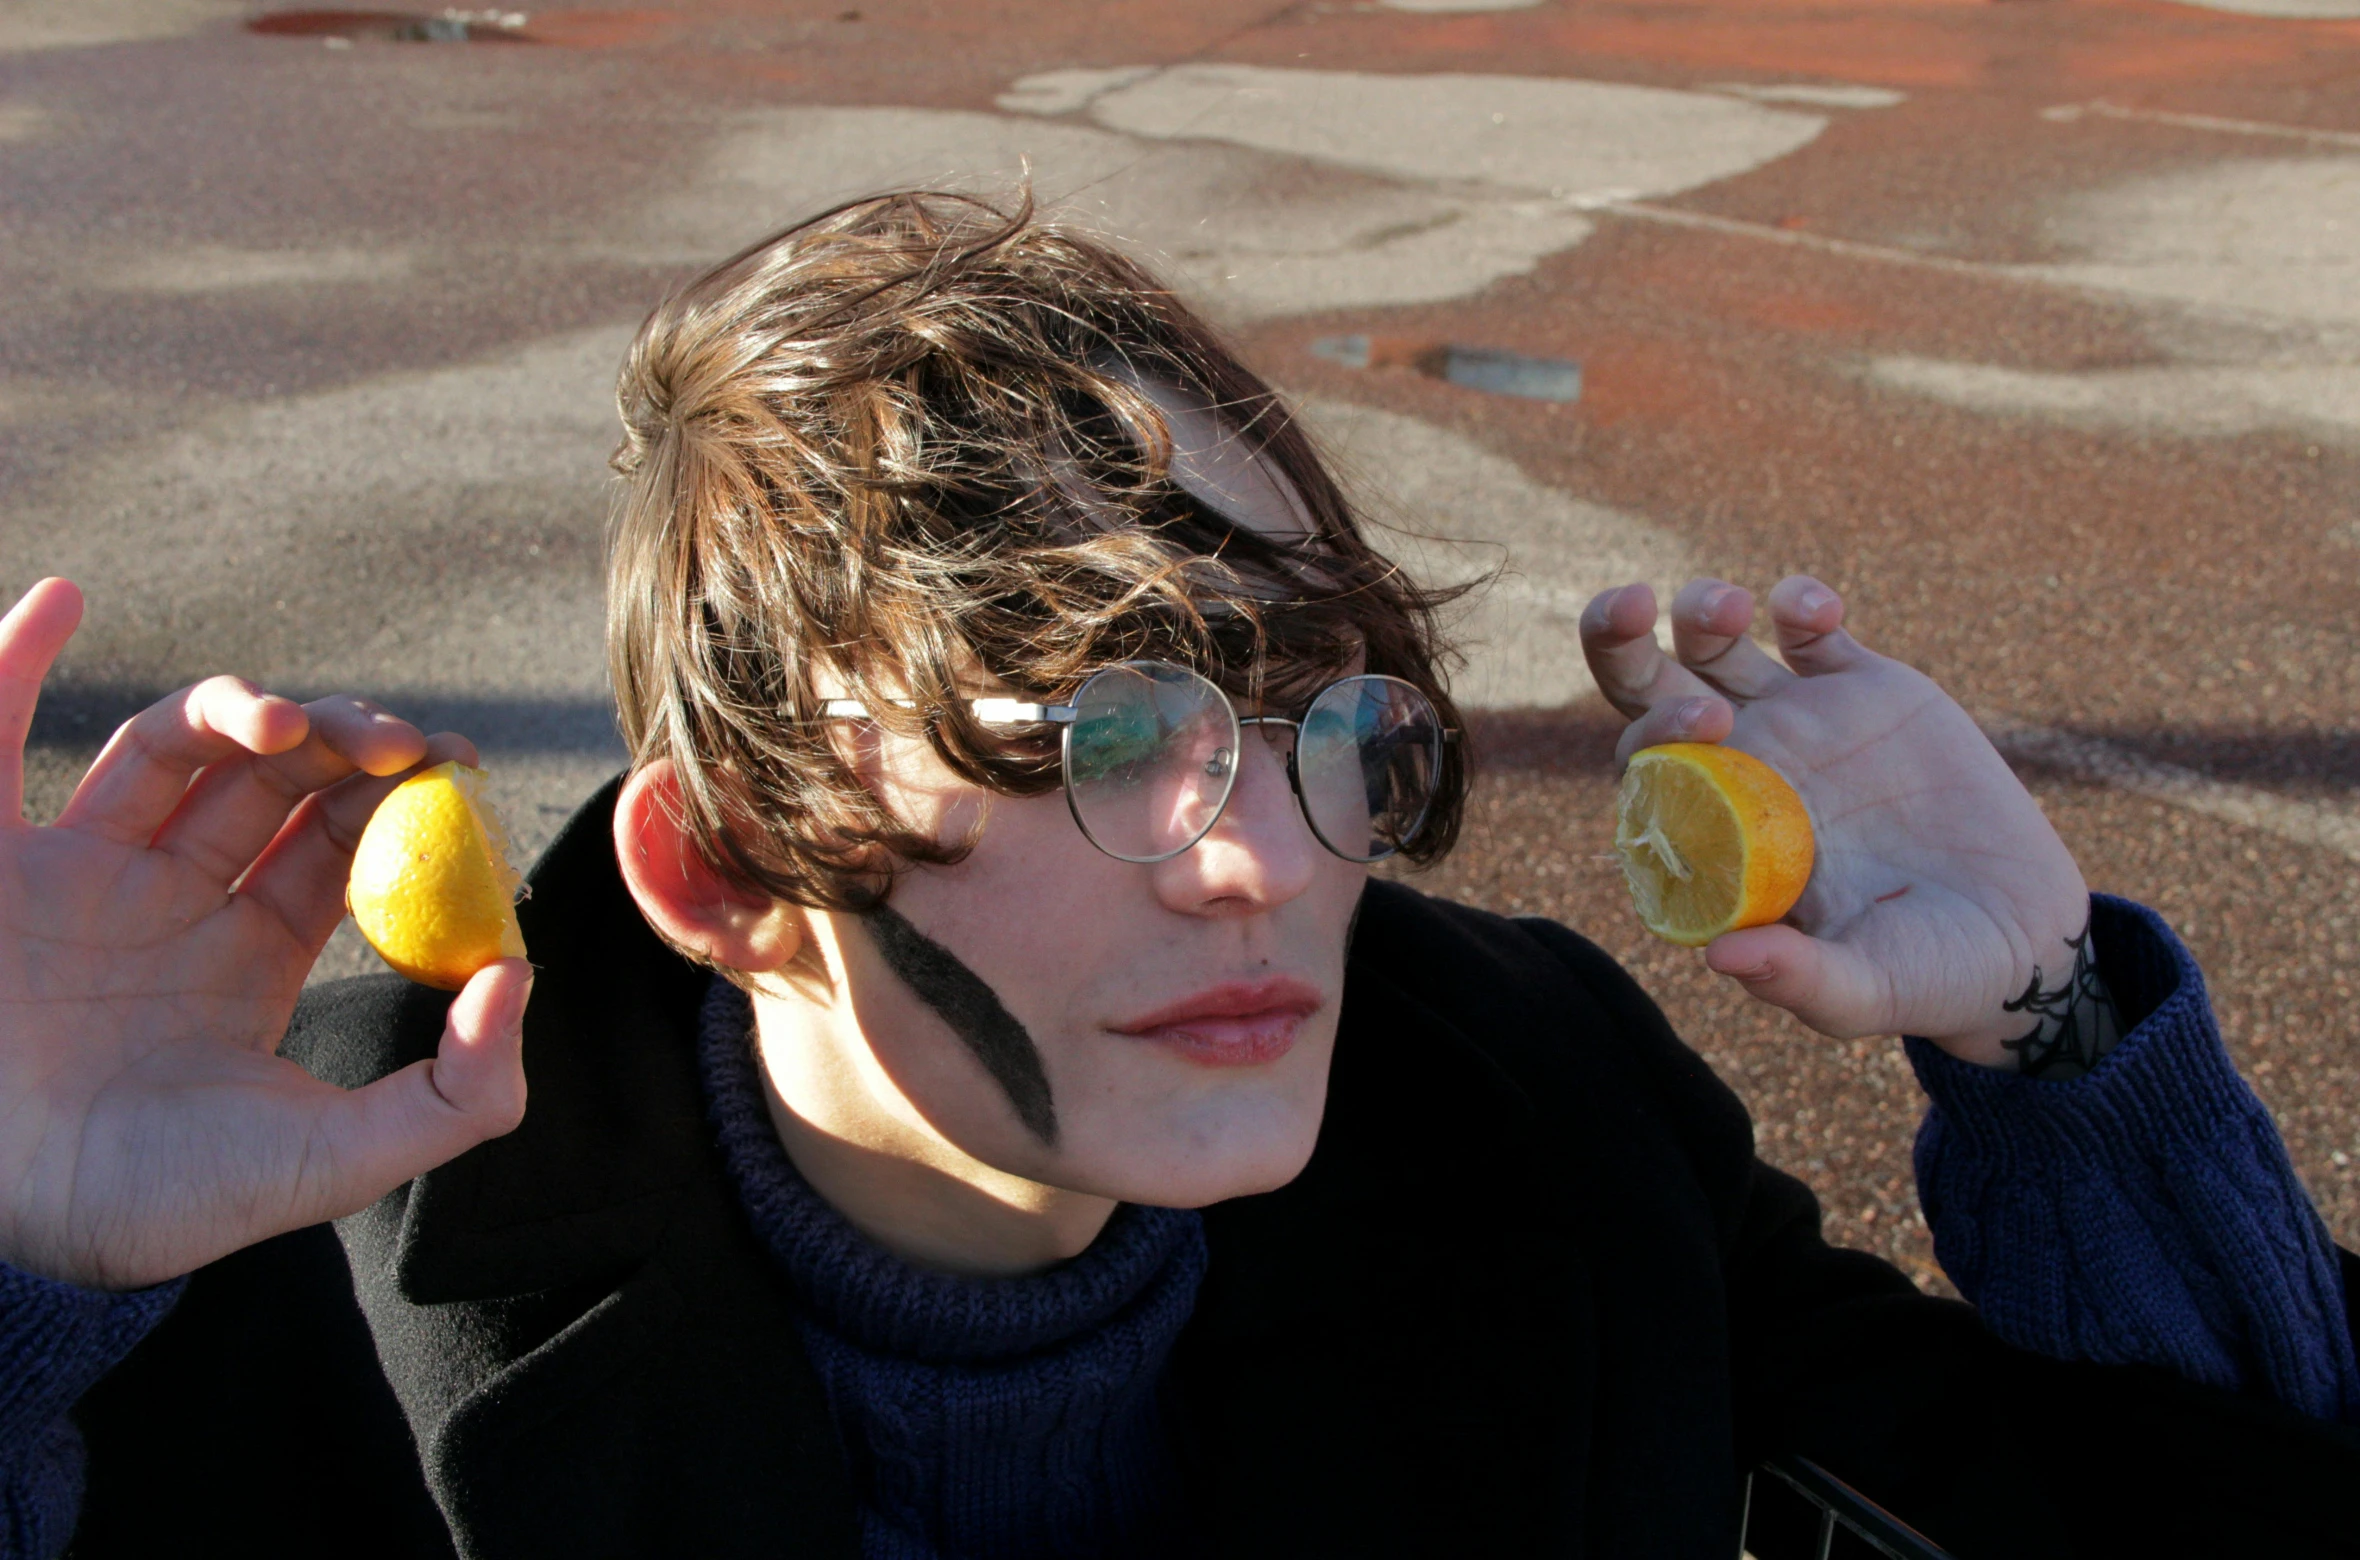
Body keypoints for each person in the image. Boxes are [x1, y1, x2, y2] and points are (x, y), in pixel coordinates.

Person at [1, 190, 2355, 1559]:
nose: (1257, 859)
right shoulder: (272, 1246)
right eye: (1095, 740)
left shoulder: (1533, 1121)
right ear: (724, 877)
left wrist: (2047, 1032)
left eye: (1321, 712)